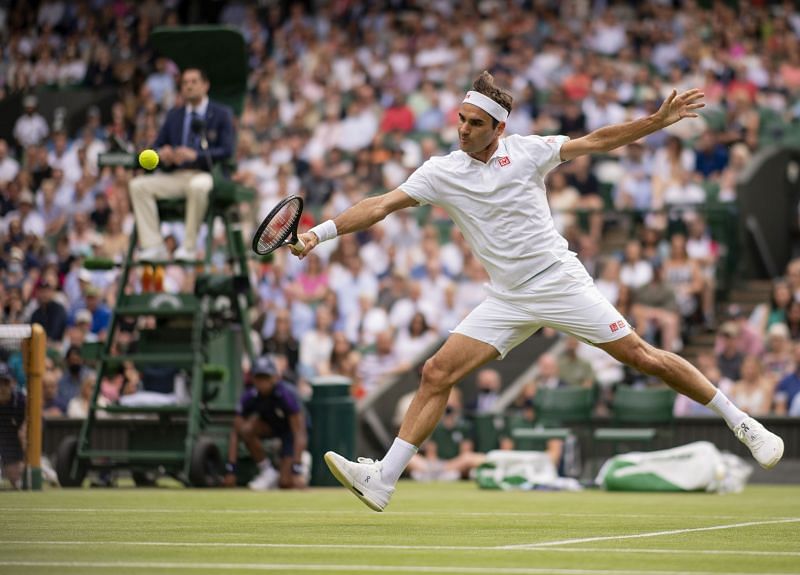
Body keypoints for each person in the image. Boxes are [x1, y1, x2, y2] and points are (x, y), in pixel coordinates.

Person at [294, 72, 783, 512]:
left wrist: (656, 122)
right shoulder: (441, 171)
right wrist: (320, 233)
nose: (463, 130)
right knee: (435, 371)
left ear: (498, 129)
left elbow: (599, 141)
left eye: (475, 124)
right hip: (506, 298)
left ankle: (743, 423)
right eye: (460, 120)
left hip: (557, 281)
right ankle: (384, 479)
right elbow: (380, 205)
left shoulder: (529, 151)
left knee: (642, 356)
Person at [128, 67, 234, 261]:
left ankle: (189, 247)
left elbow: (227, 151)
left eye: (194, 82)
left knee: (197, 186)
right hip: (177, 175)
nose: (189, 86)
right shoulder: (174, 115)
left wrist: (196, 155)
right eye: (185, 83)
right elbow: (157, 146)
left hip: (206, 174)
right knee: (138, 186)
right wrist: (163, 153)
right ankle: (153, 246)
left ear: (205, 85)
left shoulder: (221, 113)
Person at [226, 356, 308, 491]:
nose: (262, 382)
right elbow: (235, 431)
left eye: (266, 377)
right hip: (271, 427)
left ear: (275, 377)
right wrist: (231, 470)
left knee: (285, 483)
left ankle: (301, 461)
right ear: (253, 378)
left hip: (290, 433)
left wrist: (296, 469)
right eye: (259, 377)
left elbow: (299, 433)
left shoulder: (287, 395)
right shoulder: (249, 396)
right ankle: (267, 471)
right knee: (245, 429)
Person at [0, 364, 25, 489]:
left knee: (18, 481)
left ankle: (46, 472)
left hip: (13, 447)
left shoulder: (21, 401)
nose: (2, 388)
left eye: (5, 383)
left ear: (12, 383)